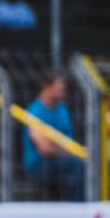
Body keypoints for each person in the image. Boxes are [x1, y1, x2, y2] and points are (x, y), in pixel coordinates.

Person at [23, 73, 85, 201]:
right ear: (46, 87)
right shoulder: (35, 110)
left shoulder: (63, 109)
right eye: (59, 87)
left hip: (63, 160)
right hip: (40, 165)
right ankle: (77, 209)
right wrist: (68, 151)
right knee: (77, 166)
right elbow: (45, 149)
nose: (63, 90)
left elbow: (68, 140)